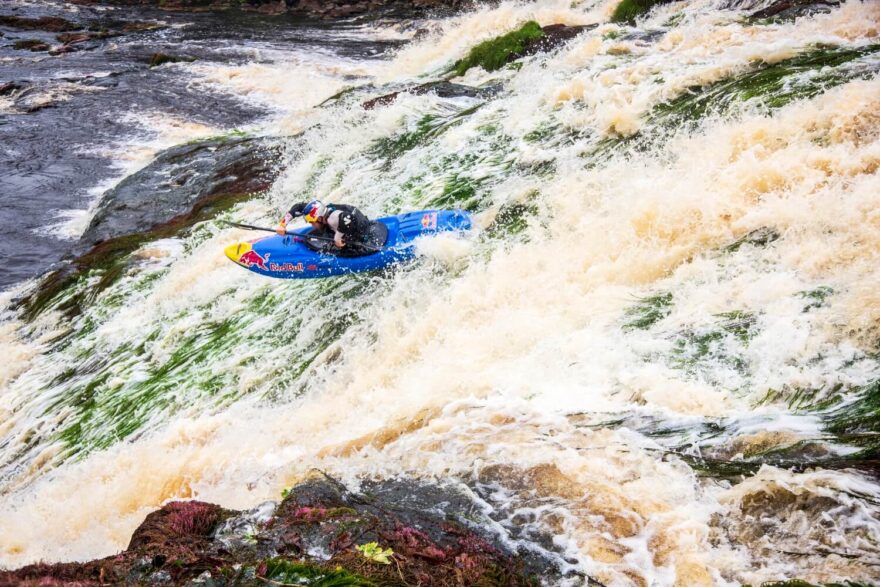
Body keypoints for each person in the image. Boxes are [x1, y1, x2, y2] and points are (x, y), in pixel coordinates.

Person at [276, 199, 376, 254]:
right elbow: (298, 207)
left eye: (312, 222)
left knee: (340, 247)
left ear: (319, 218)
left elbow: (346, 217)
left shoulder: (331, 218)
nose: (311, 225)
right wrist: (283, 224)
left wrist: (338, 238)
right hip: (355, 221)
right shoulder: (320, 210)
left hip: (360, 232)